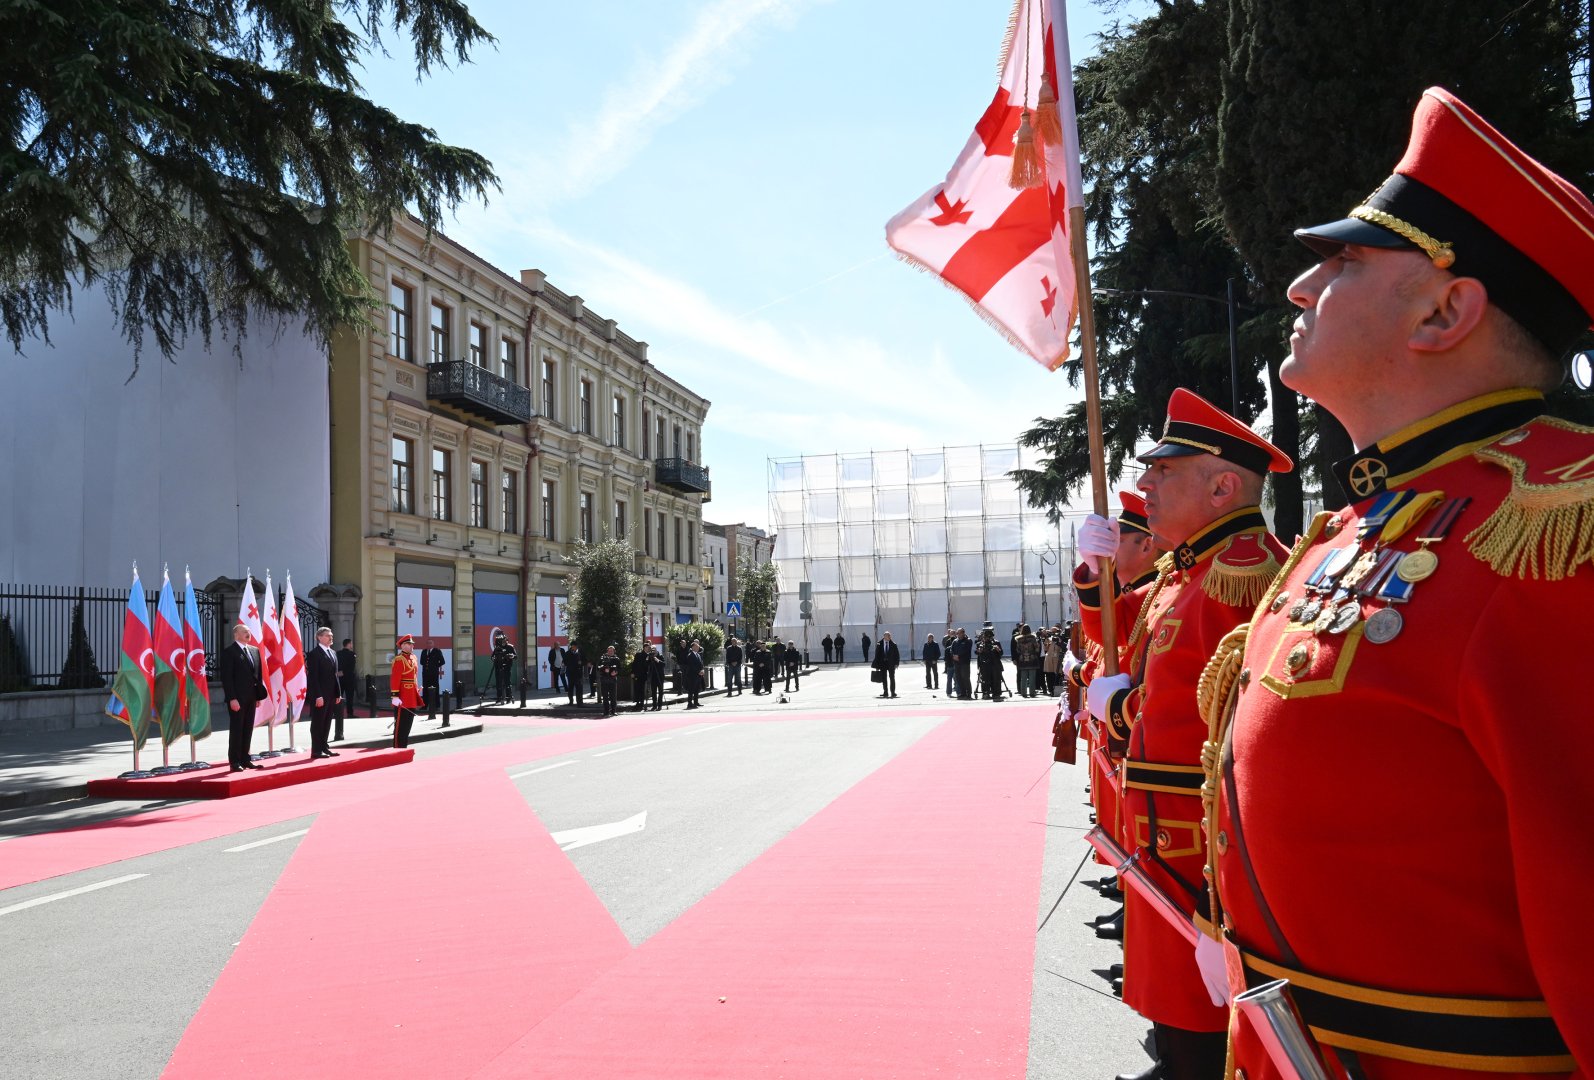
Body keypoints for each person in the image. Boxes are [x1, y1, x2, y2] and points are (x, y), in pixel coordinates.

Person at [1203, 88, 1594, 1080]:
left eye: (1345, 263)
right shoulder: (1367, 517)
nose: (1301, 286)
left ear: (1444, 312)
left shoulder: (1558, 527)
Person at [1080, 389, 1291, 1080]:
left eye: (1164, 471)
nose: (1145, 484)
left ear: (1223, 487)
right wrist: (1092, 571)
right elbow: (1113, 628)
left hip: (1200, 846)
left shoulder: (1241, 571)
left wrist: (1119, 709)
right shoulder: (1194, 570)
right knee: (1182, 1021)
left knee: (1207, 1030)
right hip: (1166, 835)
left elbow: (1221, 719)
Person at [220, 624, 266, 772]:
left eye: (249, 631)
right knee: (237, 729)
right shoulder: (229, 652)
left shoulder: (254, 650)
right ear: (236, 635)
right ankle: (235, 761)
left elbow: (258, 675)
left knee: (248, 728)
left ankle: (246, 759)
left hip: (251, 697)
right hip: (237, 698)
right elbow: (227, 678)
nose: (248, 634)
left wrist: (258, 696)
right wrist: (232, 698)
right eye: (245, 632)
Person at [305, 627, 342, 759]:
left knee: (327, 721)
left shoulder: (333, 652)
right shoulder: (314, 654)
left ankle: (324, 747)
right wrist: (318, 696)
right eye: (327, 635)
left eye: (331, 635)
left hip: (331, 694)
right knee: (318, 722)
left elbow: (335, 675)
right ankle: (316, 750)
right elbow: (313, 677)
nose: (331, 637)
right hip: (320, 695)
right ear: (319, 637)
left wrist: (338, 693)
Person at [390, 634, 422, 748]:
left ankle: (404, 747)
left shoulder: (414, 658)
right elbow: (395, 679)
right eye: (409, 644)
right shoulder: (399, 659)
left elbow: (414, 676)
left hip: (411, 696)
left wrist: (416, 689)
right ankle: (398, 748)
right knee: (401, 726)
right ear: (403, 646)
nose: (412, 646)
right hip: (402, 697)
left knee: (408, 724)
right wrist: (395, 696)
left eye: (412, 644)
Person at [335, 637, 358, 736]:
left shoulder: (338, 653)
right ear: (348, 644)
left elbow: (336, 664)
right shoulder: (352, 654)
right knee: (349, 696)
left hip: (340, 677)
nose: (352, 645)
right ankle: (350, 713)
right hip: (349, 678)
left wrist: (340, 672)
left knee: (338, 696)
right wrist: (345, 672)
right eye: (351, 643)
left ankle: (336, 713)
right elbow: (351, 667)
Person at [973, 627, 1004, 700]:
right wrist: (979, 651)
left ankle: (996, 693)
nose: (987, 638)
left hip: (995, 664)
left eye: (988, 637)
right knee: (985, 680)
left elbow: (1001, 653)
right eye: (985, 637)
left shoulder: (996, 643)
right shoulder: (980, 644)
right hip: (984, 665)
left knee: (996, 679)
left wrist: (998, 649)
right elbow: (976, 652)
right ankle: (985, 693)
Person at [419, 638, 445, 718]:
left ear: (433, 644)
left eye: (430, 643)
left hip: (434, 674)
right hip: (425, 674)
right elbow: (421, 662)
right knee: (425, 689)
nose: (429, 644)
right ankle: (425, 705)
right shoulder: (424, 651)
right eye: (428, 643)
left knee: (435, 689)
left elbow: (442, 661)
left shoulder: (437, 651)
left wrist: (435, 667)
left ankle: (437, 706)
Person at [1013, 623, 1041, 698]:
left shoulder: (1019, 639)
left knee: (1023, 677)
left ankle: (1023, 693)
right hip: (1032, 659)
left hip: (1022, 659)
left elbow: (1017, 650)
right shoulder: (1033, 638)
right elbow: (1037, 649)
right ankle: (1032, 692)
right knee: (1032, 677)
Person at [871, 631, 900, 697]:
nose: (890, 637)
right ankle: (885, 692)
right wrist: (877, 665)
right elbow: (877, 655)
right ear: (884, 636)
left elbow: (897, 655)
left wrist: (896, 663)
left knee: (892, 678)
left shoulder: (893, 644)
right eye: (888, 636)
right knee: (884, 678)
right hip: (882, 664)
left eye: (890, 636)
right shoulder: (879, 643)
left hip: (891, 664)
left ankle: (893, 692)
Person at [491, 633, 516, 704]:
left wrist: (511, 656)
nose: (503, 642)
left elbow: (515, 656)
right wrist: (494, 658)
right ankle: (499, 698)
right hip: (498, 667)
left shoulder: (510, 647)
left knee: (507, 682)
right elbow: (492, 657)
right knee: (498, 683)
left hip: (507, 667)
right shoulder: (497, 648)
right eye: (501, 641)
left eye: (504, 640)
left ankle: (508, 698)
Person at [596, 645, 620, 717]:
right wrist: (603, 669)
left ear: (614, 651)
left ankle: (613, 711)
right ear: (607, 651)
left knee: (613, 696)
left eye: (611, 651)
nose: (610, 652)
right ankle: (606, 712)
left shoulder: (616, 659)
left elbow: (620, 668)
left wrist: (616, 672)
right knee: (605, 697)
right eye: (609, 651)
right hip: (604, 679)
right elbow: (598, 667)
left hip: (613, 679)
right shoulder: (602, 658)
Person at [641, 643, 666, 710]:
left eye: (654, 649)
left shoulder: (660, 656)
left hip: (660, 676)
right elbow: (645, 665)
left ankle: (660, 705)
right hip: (653, 677)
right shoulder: (650, 657)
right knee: (653, 692)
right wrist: (647, 658)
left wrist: (657, 660)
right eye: (652, 650)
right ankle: (654, 705)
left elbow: (663, 665)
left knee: (660, 691)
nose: (653, 651)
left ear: (656, 650)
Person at [950, 628, 973, 700]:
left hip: (964, 662)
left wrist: (958, 656)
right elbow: (951, 649)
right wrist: (953, 655)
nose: (957, 634)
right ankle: (963, 694)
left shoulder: (968, 640)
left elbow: (966, 650)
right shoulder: (955, 641)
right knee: (959, 678)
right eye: (957, 633)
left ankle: (968, 694)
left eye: (958, 633)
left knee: (965, 678)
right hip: (957, 663)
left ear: (963, 633)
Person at [682, 639, 704, 709]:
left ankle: (696, 702)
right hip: (692, 676)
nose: (698, 648)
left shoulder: (698, 654)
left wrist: (702, 670)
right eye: (697, 646)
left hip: (698, 675)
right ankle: (689, 703)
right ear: (693, 647)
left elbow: (701, 664)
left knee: (696, 689)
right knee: (691, 690)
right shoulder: (690, 655)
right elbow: (691, 666)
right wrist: (698, 671)